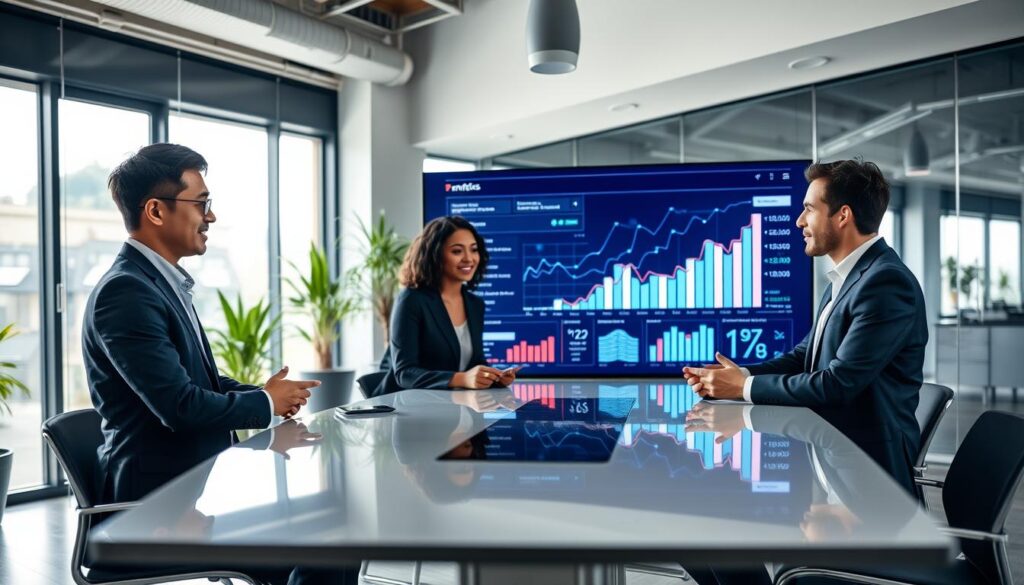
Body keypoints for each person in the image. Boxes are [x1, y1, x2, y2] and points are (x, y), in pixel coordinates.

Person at [83, 143, 353, 585]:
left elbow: (197, 381)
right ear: (155, 211)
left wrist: (263, 397)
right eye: (201, 203)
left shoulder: (158, 284)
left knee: (332, 525)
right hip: (158, 507)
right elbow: (180, 406)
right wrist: (264, 403)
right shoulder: (126, 293)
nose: (210, 216)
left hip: (194, 485)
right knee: (327, 533)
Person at [683, 159, 928, 495]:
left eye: (809, 209)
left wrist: (743, 388)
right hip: (835, 450)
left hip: (870, 470)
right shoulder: (848, 278)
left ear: (842, 216)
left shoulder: (885, 282)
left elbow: (838, 384)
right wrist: (739, 374)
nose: (799, 221)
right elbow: (806, 357)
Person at [371, 215, 519, 396]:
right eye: (457, 251)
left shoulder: (475, 304)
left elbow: (474, 361)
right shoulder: (411, 300)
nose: (469, 258)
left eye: (474, 250)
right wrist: (462, 378)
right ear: (435, 255)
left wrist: (494, 376)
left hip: (453, 405)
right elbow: (405, 373)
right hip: (405, 408)